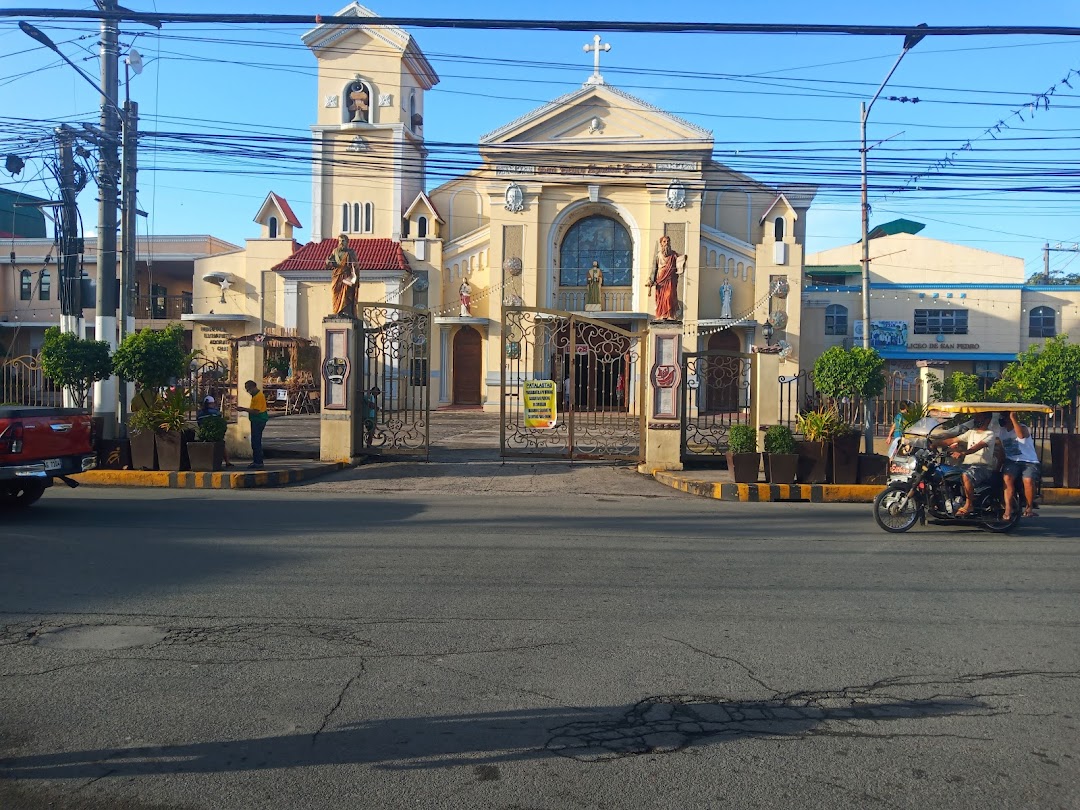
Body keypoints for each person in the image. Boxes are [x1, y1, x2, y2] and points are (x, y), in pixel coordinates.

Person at [938, 412, 1000, 517]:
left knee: (967, 475)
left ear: (987, 419)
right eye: (976, 416)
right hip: (966, 465)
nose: (976, 419)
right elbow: (953, 440)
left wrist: (963, 453)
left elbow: (978, 446)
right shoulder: (971, 432)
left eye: (979, 416)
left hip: (982, 467)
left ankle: (969, 504)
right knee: (944, 472)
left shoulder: (990, 434)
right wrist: (935, 443)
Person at [1000, 411, 1041, 519]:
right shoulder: (1002, 431)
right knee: (1007, 478)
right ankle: (1008, 508)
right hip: (1012, 461)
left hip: (1029, 461)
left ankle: (1029, 507)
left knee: (1028, 480)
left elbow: (1021, 436)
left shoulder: (1022, 427)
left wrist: (1013, 419)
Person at [647, 235, 684, 321]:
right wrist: (651, 280)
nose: (666, 243)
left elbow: (680, 262)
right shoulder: (658, 255)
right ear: (661, 244)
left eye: (668, 241)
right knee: (661, 299)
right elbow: (654, 268)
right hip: (660, 279)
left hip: (670, 279)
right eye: (664, 241)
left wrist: (683, 260)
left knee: (669, 295)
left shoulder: (674, 254)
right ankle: (661, 315)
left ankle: (670, 314)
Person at [235, 380, 268, 469]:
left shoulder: (258, 397)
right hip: (256, 420)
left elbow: (256, 411)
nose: (248, 391)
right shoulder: (256, 396)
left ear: (253, 387)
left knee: (256, 442)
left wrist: (243, 409)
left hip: (259, 420)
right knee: (255, 441)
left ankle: (258, 462)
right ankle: (257, 461)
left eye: (248, 389)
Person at [326, 234, 358, 317]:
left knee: (347, 293)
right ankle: (336, 310)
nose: (341, 243)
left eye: (343, 241)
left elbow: (355, 265)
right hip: (337, 276)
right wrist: (328, 262)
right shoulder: (335, 251)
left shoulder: (350, 252)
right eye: (339, 241)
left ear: (347, 242)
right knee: (335, 292)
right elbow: (329, 261)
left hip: (347, 276)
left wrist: (353, 267)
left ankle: (346, 312)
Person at [196, 395, 231, 467]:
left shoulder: (200, 413)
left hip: (204, 434)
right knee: (222, 444)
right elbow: (220, 421)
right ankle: (227, 462)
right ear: (211, 404)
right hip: (215, 434)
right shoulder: (215, 412)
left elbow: (199, 423)